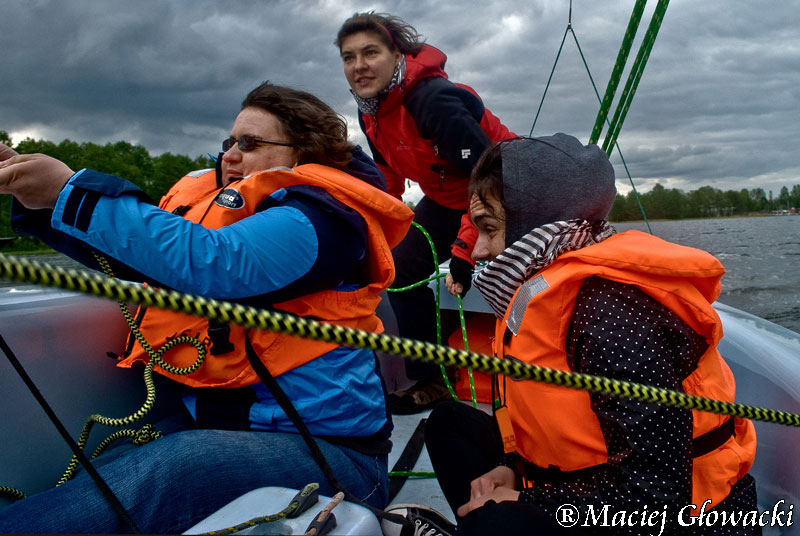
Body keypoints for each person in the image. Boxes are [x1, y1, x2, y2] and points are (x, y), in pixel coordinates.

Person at [0, 81, 414, 534]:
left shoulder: (324, 221)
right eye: (229, 142)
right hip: (227, 432)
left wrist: (67, 191)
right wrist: (39, 198)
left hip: (335, 460)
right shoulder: (220, 207)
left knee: (168, 469)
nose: (230, 156)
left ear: (304, 152)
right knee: (108, 467)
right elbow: (142, 256)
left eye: (249, 144)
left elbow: (214, 262)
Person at [419, 135, 758, 535]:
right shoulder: (539, 288)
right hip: (580, 474)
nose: (478, 252)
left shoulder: (609, 314)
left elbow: (657, 498)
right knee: (448, 424)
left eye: (489, 229)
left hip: (680, 520)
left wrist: (523, 503)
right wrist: (510, 468)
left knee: (496, 523)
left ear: (536, 225)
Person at [335, 12, 517, 414]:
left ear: (396, 55)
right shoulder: (371, 111)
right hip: (448, 197)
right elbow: (387, 178)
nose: (359, 65)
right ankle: (432, 376)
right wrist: (369, 229)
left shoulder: (432, 101)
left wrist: (465, 248)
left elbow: (488, 181)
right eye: (349, 57)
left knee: (513, 269)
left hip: (509, 189)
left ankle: (525, 372)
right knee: (400, 268)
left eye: (370, 53)